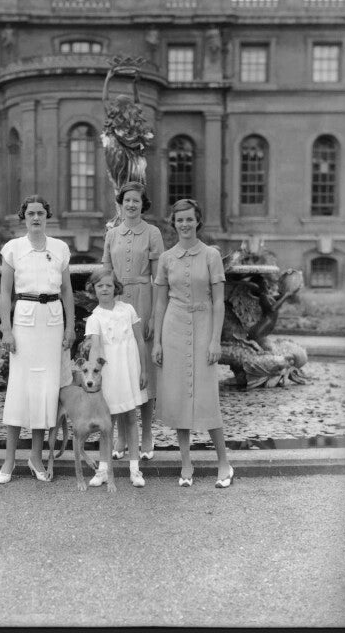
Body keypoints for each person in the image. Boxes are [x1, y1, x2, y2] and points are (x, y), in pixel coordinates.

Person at [152, 199, 234, 488]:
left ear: (198, 221)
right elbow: (160, 302)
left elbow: (219, 302)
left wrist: (215, 340)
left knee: (207, 396)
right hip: (173, 328)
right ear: (173, 223)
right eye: (179, 220)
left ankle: (224, 462)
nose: (184, 224)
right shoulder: (166, 258)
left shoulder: (211, 255)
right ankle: (186, 463)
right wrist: (158, 342)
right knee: (178, 399)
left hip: (203, 325)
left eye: (189, 219)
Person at [0, 195, 75, 483]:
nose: (36, 218)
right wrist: (6, 329)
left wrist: (70, 327)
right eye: (31, 213)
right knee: (19, 388)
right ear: (24, 217)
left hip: (52, 322)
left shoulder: (60, 248)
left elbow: (67, 291)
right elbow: (5, 292)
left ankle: (35, 457)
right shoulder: (13, 249)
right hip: (24, 321)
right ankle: (8, 460)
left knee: (46, 390)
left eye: (41, 212)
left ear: (47, 216)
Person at [102, 181, 164, 461]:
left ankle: (147, 433)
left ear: (143, 204)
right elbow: (105, 274)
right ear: (120, 203)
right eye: (127, 200)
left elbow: (160, 279)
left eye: (136, 201)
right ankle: (123, 436)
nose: (131, 205)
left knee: (144, 369)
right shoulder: (112, 235)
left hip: (143, 299)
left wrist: (152, 316)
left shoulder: (152, 233)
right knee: (117, 368)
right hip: (116, 303)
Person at [84, 266, 148, 488]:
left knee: (130, 419)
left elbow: (139, 341)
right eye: (99, 286)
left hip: (129, 371)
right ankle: (103, 469)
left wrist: (144, 370)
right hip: (109, 376)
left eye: (108, 285)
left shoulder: (128, 310)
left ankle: (134, 469)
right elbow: (95, 349)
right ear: (94, 289)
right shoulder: (94, 318)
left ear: (115, 287)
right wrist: (93, 376)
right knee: (106, 424)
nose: (104, 289)